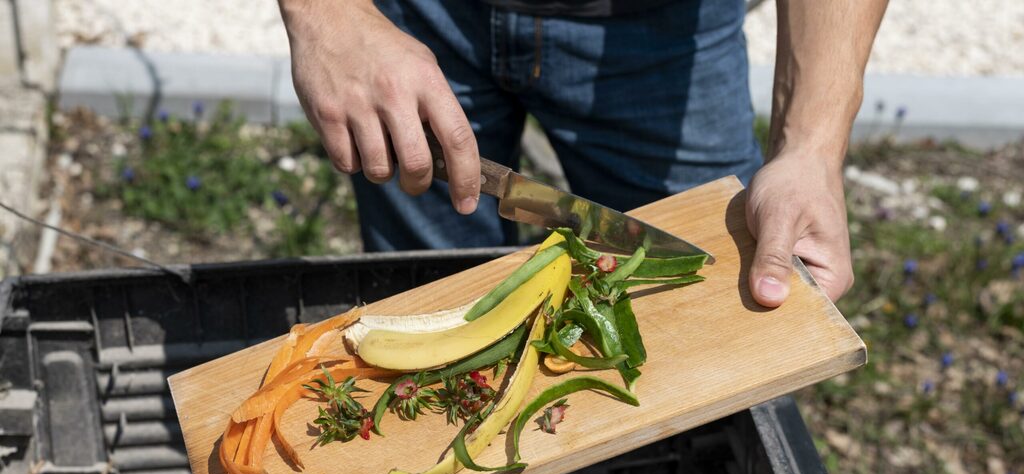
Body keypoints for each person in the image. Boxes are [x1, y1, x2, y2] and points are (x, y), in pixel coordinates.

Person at [277, 0, 887, 308]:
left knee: (723, 300)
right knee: (432, 303)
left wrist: (809, 145)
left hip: (663, 31)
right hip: (402, 25)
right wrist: (328, 15)